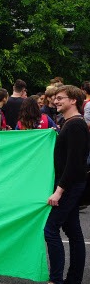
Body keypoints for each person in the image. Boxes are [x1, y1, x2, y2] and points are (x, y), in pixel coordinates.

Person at [44, 85, 90, 284]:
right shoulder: (68, 123)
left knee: (51, 229)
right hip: (70, 184)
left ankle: (57, 279)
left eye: (60, 98)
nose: (56, 101)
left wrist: (59, 192)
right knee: (73, 231)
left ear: (73, 100)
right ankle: (73, 279)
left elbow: (74, 163)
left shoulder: (76, 125)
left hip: (70, 186)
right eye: (55, 98)